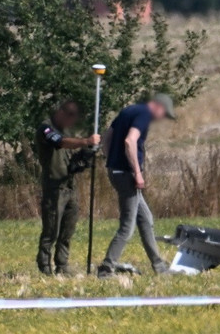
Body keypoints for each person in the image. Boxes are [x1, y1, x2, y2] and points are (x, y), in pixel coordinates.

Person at [97, 94, 176, 278]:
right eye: (164, 114)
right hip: (127, 175)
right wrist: (138, 173)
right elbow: (130, 141)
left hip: (116, 172)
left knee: (146, 219)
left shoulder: (129, 111)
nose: (161, 118)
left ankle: (159, 266)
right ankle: (106, 268)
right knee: (128, 226)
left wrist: (112, 161)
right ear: (158, 107)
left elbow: (107, 139)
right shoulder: (144, 115)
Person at [35, 101, 101, 275]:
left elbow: (71, 159)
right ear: (62, 113)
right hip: (54, 187)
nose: (72, 123)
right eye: (71, 118)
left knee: (68, 229)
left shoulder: (67, 132)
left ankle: (62, 265)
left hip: (70, 185)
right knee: (51, 230)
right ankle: (45, 266)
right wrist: (85, 141)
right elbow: (60, 143)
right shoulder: (46, 129)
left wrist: (85, 155)